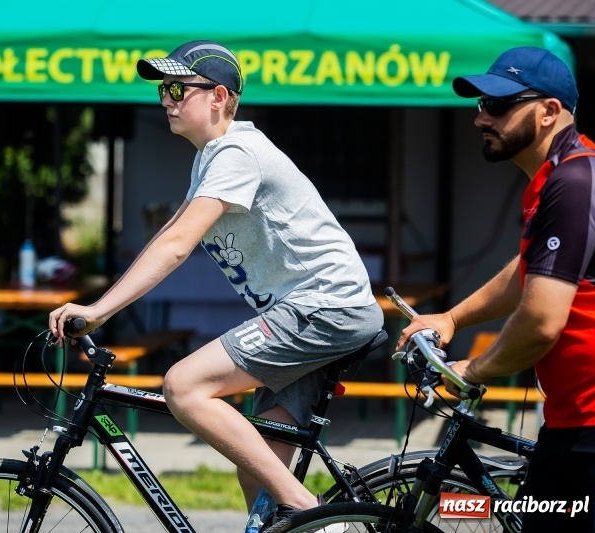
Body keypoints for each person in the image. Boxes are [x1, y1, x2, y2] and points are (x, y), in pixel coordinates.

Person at [49, 40, 383, 528]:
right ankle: (296, 520)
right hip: (317, 310)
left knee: (183, 386)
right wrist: (102, 304)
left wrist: (99, 311)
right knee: (259, 466)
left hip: (325, 307)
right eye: (163, 90)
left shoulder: (236, 152)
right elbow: (170, 233)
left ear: (218, 96)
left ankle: (312, 512)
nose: (166, 100)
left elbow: (177, 245)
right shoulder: (211, 157)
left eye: (177, 89)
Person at [398, 47, 595, 532]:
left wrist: (473, 370)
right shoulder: (557, 178)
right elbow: (529, 271)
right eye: (480, 104)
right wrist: (452, 318)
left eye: (498, 105)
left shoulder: (576, 181)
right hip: (572, 421)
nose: (480, 118)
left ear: (549, 111)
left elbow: (540, 322)